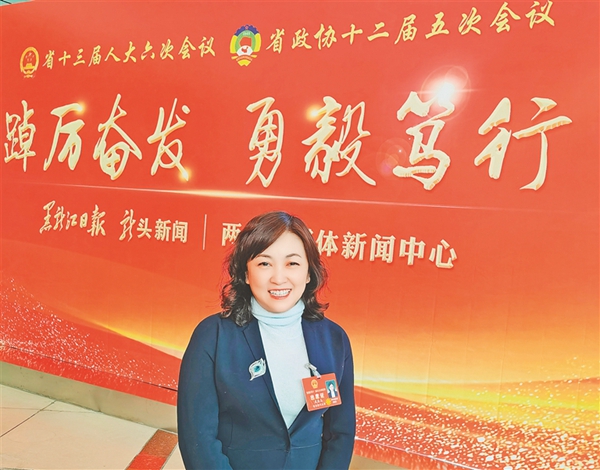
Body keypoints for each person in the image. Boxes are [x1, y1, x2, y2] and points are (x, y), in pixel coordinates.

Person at [178, 211, 355, 470]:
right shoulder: (212, 336)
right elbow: (198, 438)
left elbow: (340, 432)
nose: (279, 278)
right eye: (264, 263)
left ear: (309, 273)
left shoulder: (334, 340)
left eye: (292, 263)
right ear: (246, 273)